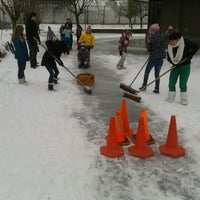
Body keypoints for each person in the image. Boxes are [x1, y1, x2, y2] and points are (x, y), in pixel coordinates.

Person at [165, 30, 199, 105]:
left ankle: (184, 100)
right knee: (171, 83)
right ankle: (170, 98)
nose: (170, 43)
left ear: (177, 40)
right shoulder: (170, 46)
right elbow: (168, 57)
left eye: (172, 41)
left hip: (185, 67)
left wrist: (189, 56)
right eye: (169, 41)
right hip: (175, 67)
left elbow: (196, 46)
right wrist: (174, 63)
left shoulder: (185, 42)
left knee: (183, 84)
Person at [139, 23, 172, 93]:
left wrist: (149, 46)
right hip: (160, 59)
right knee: (157, 74)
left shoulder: (150, 38)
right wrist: (168, 30)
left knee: (147, 72)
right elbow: (166, 36)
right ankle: (157, 88)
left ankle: (144, 86)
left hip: (153, 58)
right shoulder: (162, 36)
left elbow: (149, 49)